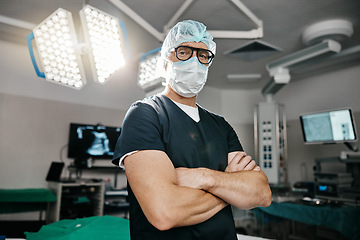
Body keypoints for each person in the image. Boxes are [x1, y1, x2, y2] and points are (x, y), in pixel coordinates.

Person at [112, 20, 272, 240]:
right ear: (165, 62)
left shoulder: (221, 126)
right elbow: (165, 212)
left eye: (203, 55)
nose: (194, 62)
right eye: (184, 52)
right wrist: (230, 187)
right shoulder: (146, 114)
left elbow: (262, 194)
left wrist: (203, 177)